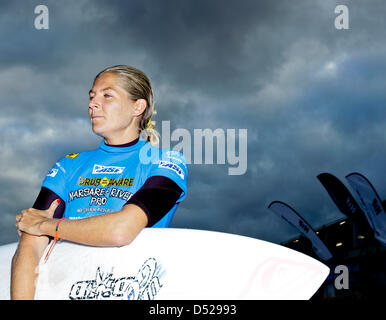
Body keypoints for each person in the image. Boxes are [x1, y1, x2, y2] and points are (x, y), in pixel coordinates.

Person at [11, 65, 188, 299]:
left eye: (107, 95)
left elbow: (121, 230)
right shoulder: (69, 165)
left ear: (138, 106)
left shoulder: (165, 161)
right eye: (92, 96)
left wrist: (46, 226)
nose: (92, 104)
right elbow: (31, 242)